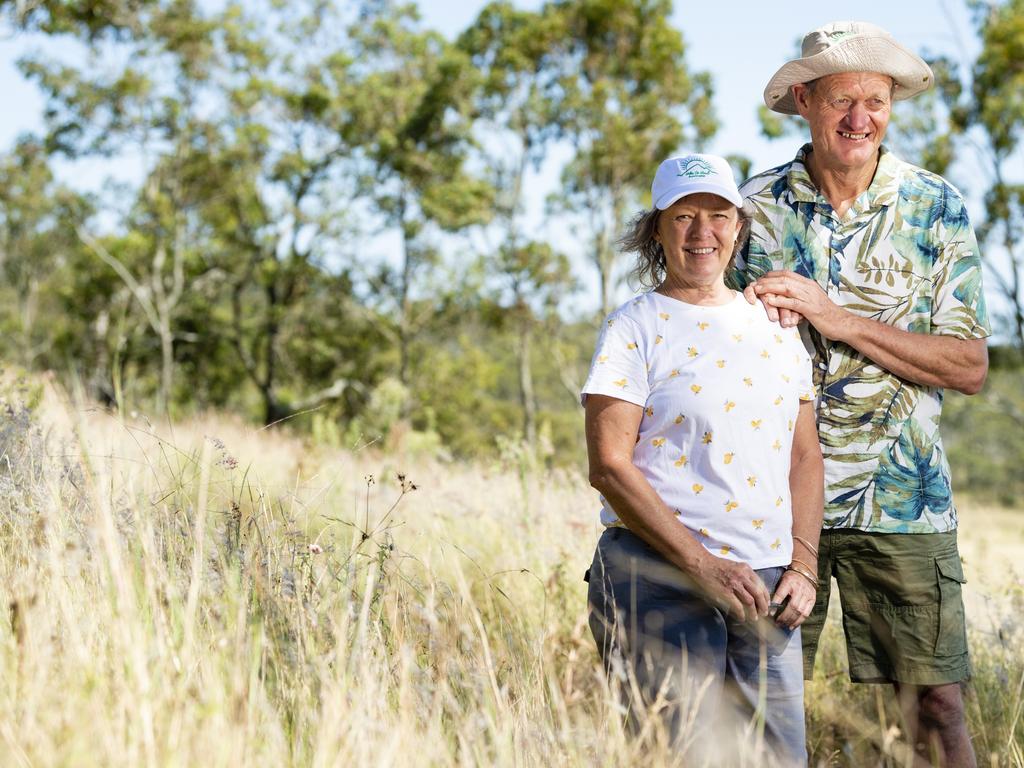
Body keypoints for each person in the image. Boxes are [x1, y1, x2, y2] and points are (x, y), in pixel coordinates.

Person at [737, 21, 990, 767]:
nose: (860, 119)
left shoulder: (935, 207)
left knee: (936, 709)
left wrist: (833, 316)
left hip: (903, 504)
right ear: (805, 101)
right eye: (842, 99)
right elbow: (709, 348)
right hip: (774, 506)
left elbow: (968, 366)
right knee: (757, 705)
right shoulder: (750, 211)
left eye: (874, 101)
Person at [582, 151, 824, 766]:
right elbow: (609, 465)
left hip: (767, 589)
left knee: (779, 759)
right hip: (660, 576)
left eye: (718, 215)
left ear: (738, 227)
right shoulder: (634, 327)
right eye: (683, 216)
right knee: (683, 755)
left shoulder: (776, 329)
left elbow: (804, 457)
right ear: (656, 229)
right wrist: (700, 564)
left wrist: (803, 564)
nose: (701, 232)